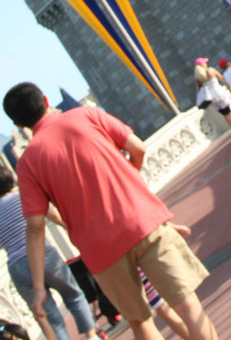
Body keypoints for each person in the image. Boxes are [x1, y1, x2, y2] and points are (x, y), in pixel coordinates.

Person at [3, 84, 218, 340]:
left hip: (100, 250)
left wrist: (39, 287)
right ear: (46, 100)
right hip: (142, 220)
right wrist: (128, 180)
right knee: (187, 304)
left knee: (140, 322)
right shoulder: (86, 114)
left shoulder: (27, 164)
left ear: (18, 123)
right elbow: (138, 148)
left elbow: (36, 226)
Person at [0, 165, 97, 340]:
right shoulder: (24, 197)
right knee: (73, 294)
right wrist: (74, 232)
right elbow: (54, 216)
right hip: (43, 255)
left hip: (17, 266)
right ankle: (91, 336)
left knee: (49, 317)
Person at [193, 58, 231, 137]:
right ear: (203, 65)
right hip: (219, 93)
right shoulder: (211, 70)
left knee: (225, 114)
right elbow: (222, 79)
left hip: (211, 99)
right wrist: (230, 89)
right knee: (229, 112)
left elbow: (198, 90)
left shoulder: (198, 78)